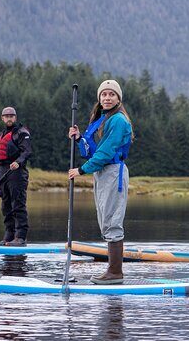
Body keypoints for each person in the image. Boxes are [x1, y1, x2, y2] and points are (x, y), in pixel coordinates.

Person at [68, 80, 133, 284]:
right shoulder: (101, 118)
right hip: (102, 173)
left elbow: (105, 153)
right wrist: (79, 139)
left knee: (112, 220)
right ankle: (113, 271)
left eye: (111, 94)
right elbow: (92, 150)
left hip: (114, 172)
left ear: (118, 98)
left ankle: (115, 273)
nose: (107, 98)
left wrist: (81, 170)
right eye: (103, 94)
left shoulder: (118, 120)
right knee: (105, 220)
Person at [0, 106, 33, 246]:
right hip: (3, 173)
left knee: (18, 204)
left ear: (15, 118)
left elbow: (26, 152)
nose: (9, 118)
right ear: (2, 118)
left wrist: (18, 162)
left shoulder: (22, 133)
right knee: (6, 206)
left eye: (11, 116)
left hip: (17, 173)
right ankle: (8, 237)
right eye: (6, 116)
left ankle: (20, 238)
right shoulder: (1, 135)